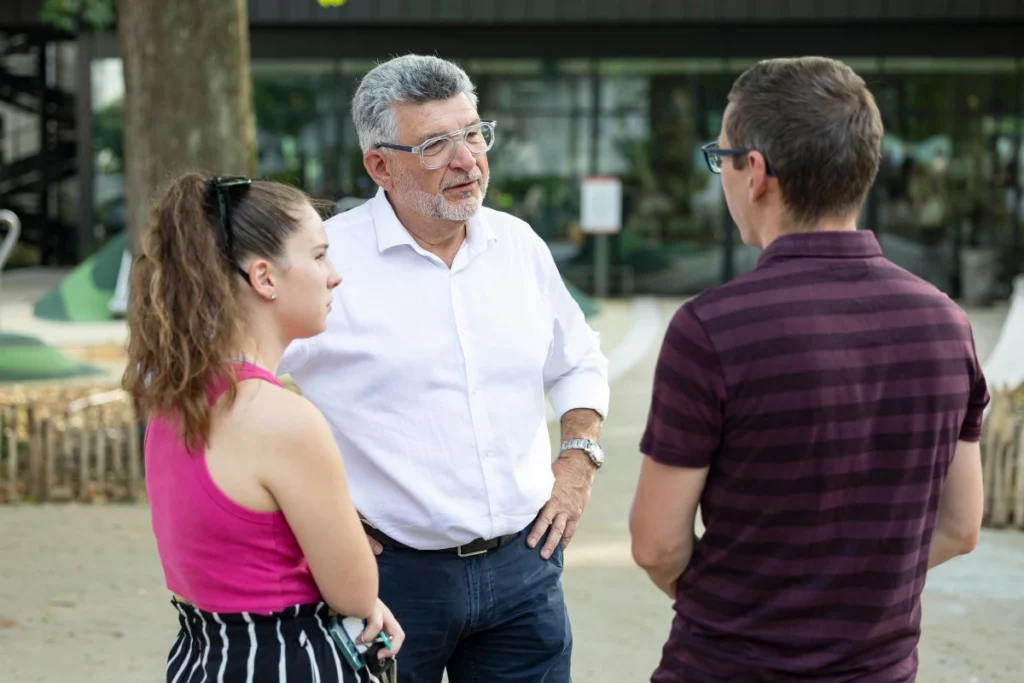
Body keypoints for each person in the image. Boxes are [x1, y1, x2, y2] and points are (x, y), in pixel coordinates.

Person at [629, 56, 988, 683]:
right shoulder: (947, 324)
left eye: (723, 158)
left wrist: (745, 611)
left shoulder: (711, 329)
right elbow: (961, 527)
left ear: (757, 172)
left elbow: (656, 544)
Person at [278, 54, 610, 683]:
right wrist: (303, 512)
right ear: (379, 164)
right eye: (435, 144)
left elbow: (579, 361)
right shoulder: (325, 260)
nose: (467, 160)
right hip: (389, 579)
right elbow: (233, 389)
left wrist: (578, 461)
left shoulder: (518, 246)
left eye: (473, 133)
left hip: (526, 572)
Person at [123, 172, 405, 682]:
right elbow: (355, 593)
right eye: (319, 256)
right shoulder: (283, 421)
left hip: (201, 657)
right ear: (265, 277)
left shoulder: (171, 402)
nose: (334, 275)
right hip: (284, 660)